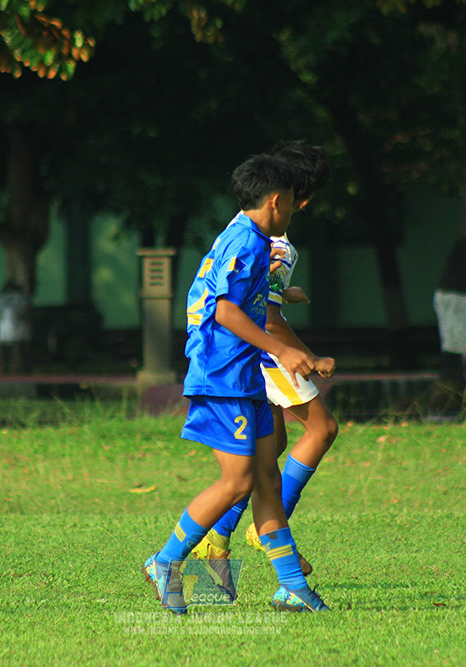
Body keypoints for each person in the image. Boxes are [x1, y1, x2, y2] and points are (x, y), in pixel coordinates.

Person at [142, 152, 330, 614]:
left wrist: (282, 311)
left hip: (242, 374)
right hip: (222, 375)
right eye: (289, 200)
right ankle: (165, 561)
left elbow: (237, 295)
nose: (293, 209)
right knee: (237, 482)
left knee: (266, 480)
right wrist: (283, 349)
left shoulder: (247, 237)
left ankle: (292, 588)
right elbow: (224, 310)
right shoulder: (248, 242)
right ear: (275, 201)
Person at [191, 141, 338, 580]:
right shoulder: (276, 243)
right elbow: (265, 319)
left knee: (266, 453)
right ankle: (267, 531)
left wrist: (283, 293)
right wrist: (305, 355)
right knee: (321, 428)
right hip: (256, 357)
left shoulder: (241, 226)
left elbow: (255, 294)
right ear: (292, 198)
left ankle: (214, 545)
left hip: (235, 358)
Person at [0, 280, 32, 375]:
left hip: (3, 332)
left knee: (5, 354)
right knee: (22, 354)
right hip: (20, 331)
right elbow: (25, 312)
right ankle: (23, 372)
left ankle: (4, 372)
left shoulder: (0, 298)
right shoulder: (21, 297)